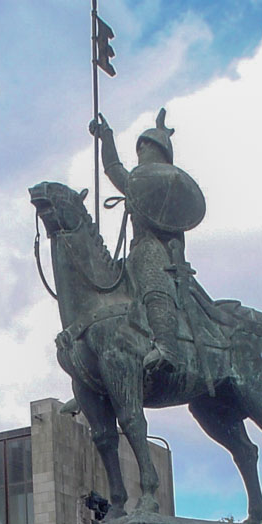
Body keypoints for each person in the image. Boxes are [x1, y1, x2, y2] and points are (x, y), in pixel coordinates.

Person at [88, 108, 206, 375]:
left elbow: (118, 173)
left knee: (152, 277)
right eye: (139, 148)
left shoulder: (168, 186)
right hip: (137, 250)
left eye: (146, 148)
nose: (141, 152)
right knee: (108, 288)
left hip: (160, 251)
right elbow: (113, 169)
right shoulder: (137, 182)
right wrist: (106, 137)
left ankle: (167, 347)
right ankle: (101, 369)